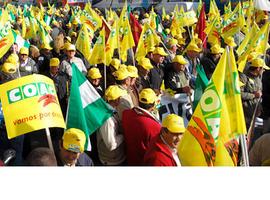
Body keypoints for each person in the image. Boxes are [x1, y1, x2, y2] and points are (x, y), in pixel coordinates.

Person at [122, 88, 161, 166]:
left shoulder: (125, 114)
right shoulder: (154, 126)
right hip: (144, 162)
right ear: (153, 105)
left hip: (129, 159)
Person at [97, 85, 127, 166]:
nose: (121, 99)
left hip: (114, 158)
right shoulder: (107, 120)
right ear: (116, 100)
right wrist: (123, 135)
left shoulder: (110, 111)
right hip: (111, 161)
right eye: (119, 97)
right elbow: (111, 145)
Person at [240, 58, 269, 128]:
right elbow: (239, 94)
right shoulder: (243, 77)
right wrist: (253, 95)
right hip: (245, 113)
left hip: (254, 112)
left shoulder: (258, 77)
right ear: (258, 69)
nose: (264, 70)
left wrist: (259, 107)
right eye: (263, 69)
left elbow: (259, 92)